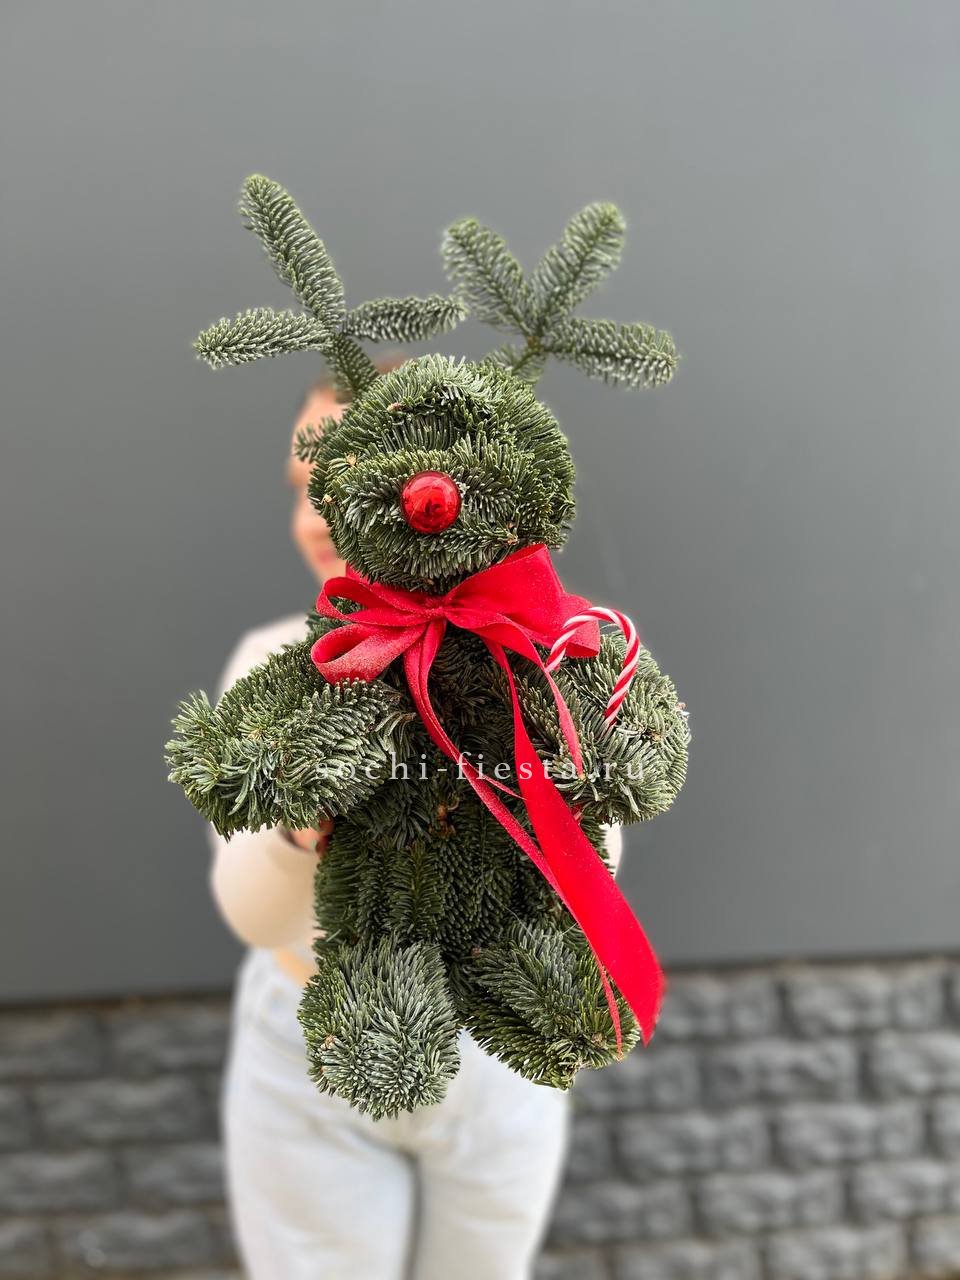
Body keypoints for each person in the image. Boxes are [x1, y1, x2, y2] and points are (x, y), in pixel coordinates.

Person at [211, 376, 624, 1280]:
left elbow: (592, 872)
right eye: (300, 489)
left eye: (341, 481)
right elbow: (253, 914)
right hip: (308, 1041)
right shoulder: (271, 666)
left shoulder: (542, 654)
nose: (313, 519)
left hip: (496, 1040)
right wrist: (302, 829)